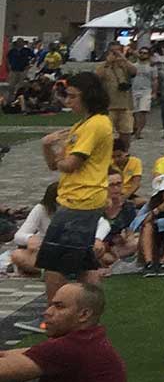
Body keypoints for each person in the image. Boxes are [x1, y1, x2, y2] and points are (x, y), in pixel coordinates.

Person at [36, 71, 115, 300]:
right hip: (77, 198)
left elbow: (70, 164)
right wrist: (46, 146)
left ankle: (54, 314)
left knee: (53, 264)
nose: (68, 101)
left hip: (80, 200)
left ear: (88, 96)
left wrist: (59, 157)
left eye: (73, 96)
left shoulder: (96, 124)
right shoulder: (82, 125)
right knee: (84, 264)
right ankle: (88, 316)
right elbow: (55, 164)